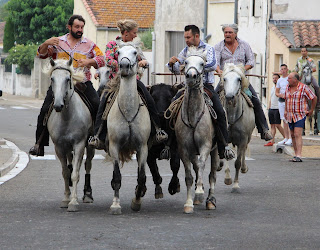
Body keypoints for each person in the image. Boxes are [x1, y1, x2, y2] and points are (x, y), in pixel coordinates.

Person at [29, 14, 105, 156]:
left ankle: (99, 139)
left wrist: (89, 62)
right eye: (77, 27)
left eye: (82, 27)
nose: (80, 30)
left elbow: (102, 59)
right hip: (60, 83)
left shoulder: (89, 44)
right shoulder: (58, 42)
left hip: (82, 82)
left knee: (97, 105)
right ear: (69, 27)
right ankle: (39, 144)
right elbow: (41, 54)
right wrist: (46, 43)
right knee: (45, 109)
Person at [89, 19, 167, 150]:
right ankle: (98, 136)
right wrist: (123, 64)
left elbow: (143, 59)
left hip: (133, 81)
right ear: (126, 33)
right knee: (102, 102)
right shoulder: (112, 45)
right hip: (115, 82)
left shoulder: (135, 46)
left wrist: (143, 62)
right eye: (134, 32)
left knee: (149, 99)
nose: (136, 35)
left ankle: (157, 130)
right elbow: (108, 60)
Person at [167, 24, 234, 160]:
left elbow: (212, 65)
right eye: (185, 37)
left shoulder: (208, 49)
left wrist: (192, 66)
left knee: (220, 111)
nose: (186, 40)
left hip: (206, 86)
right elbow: (175, 69)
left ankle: (224, 146)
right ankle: (168, 145)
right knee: (171, 107)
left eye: (188, 37)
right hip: (187, 87)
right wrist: (171, 63)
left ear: (196, 36)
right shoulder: (185, 51)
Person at [214, 24, 272, 142]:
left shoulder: (244, 45)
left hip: (241, 80)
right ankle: (212, 130)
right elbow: (216, 63)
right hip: (225, 80)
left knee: (255, 100)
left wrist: (241, 70)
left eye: (230, 32)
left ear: (235, 34)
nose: (227, 34)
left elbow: (251, 61)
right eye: (226, 32)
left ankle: (264, 129)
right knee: (212, 100)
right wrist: (219, 71)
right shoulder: (218, 46)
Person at [285, 72, 317, 162]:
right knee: (292, 135)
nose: (288, 80)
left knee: (297, 133)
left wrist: (311, 110)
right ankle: (295, 155)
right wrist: (285, 111)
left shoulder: (303, 88)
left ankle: (299, 155)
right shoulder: (287, 87)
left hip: (300, 114)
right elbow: (287, 99)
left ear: (295, 80)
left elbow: (314, 98)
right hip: (290, 115)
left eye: (289, 78)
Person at [265, 73, 285, 146]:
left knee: (278, 125)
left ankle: (286, 137)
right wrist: (269, 107)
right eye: (273, 78)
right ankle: (272, 140)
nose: (274, 79)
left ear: (279, 79)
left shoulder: (280, 88)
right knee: (272, 125)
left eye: (276, 78)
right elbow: (271, 98)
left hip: (278, 108)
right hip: (271, 108)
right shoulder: (272, 88)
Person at [275, 64, 292, 146]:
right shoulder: (279, 80)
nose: (283, 70)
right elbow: (276, 92)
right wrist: (280, 95)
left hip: (289, 101)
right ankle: (286, 137)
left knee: (289, 119)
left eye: (284, 69)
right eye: (281, 69)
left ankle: (290, 138)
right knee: (284, 119)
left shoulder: (290, 79)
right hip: (281, 101)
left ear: (287, 69)